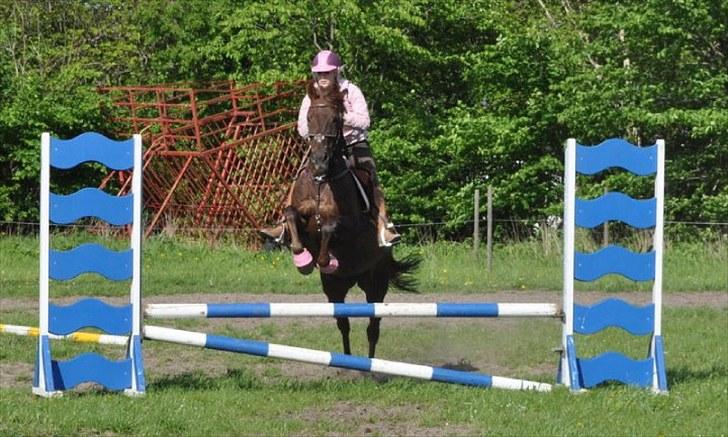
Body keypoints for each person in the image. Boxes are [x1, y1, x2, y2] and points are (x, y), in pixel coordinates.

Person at [261, 50, 400, 247]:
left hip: (353, 144)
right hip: (323, 146)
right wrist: (321, 130)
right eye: (320, 73)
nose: (323, 77)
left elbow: (365, 121)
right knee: (299, 175)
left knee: (371, 177)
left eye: (327, 72)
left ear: (336, 72)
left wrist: (339, 118)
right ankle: (283, 226)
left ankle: (383, 228)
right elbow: (302, 128)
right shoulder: (310, 96)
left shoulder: (351, 91)